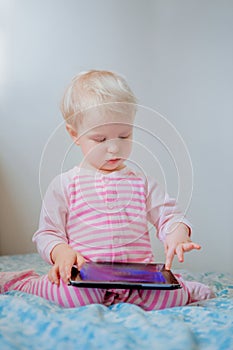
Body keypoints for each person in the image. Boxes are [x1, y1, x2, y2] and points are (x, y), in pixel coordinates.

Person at [0, 70, 215, 310]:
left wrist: (177, 234)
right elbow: (47, 233)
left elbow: (169, 216)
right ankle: (24, 283)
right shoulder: (64, 184)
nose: (114, 148)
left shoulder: (142, 183)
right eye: (100, 139)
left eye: (124, 135)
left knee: (167, 296)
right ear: (75, 135)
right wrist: (60, 251)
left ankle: (181, 287)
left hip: (135, 278)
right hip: (85, 277)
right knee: (72, 296)